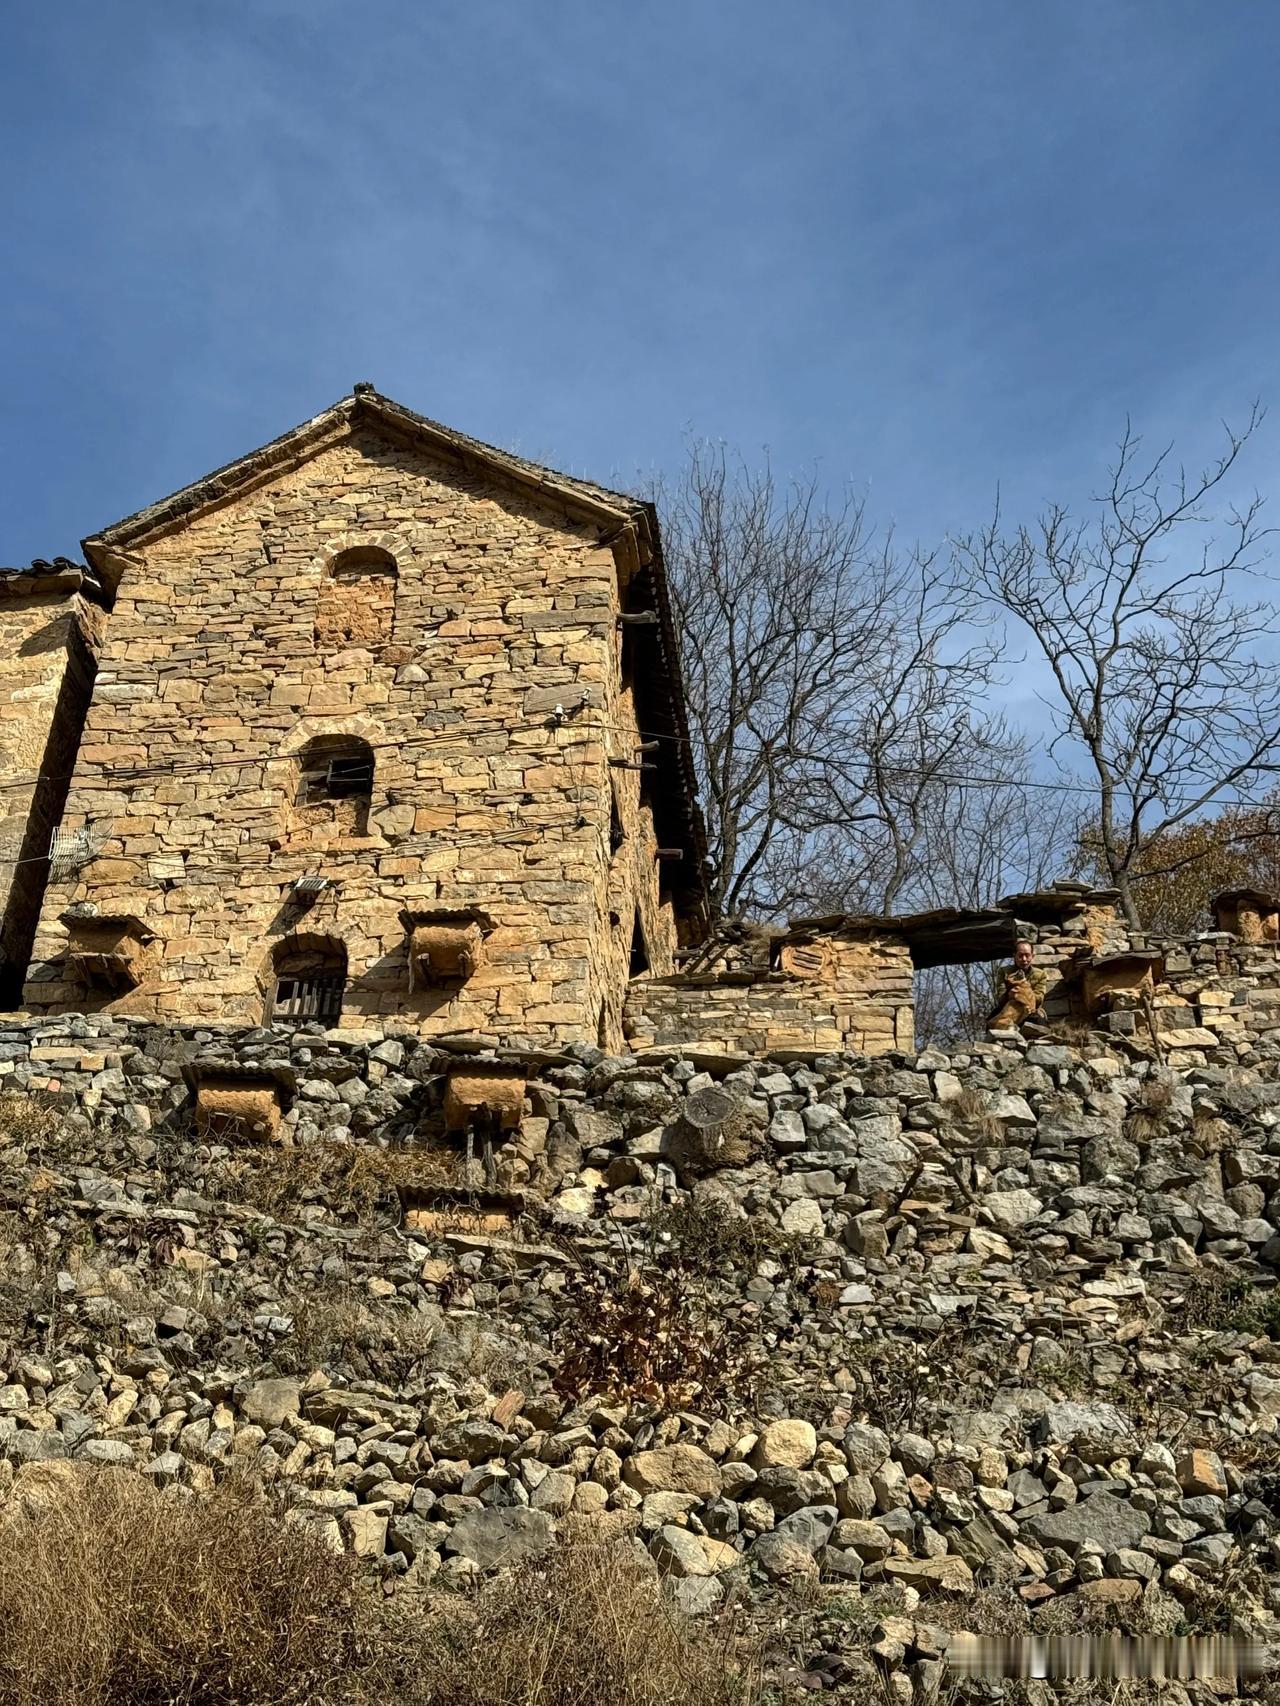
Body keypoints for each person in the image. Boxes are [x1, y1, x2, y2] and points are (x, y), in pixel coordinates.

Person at [988, 939, 1047, 1032]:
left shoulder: (1040, 975)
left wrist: (1021, 994)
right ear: (1014, 956)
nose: (1024, 959)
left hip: (1031, 1011)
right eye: (1020, 956)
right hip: (1008, 1009)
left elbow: (1039, 998)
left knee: (1040, 1026)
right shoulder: (1004, 972)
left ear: (1032, 956)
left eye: (1027, 955)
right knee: (991, 1022)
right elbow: (1000, 997)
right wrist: (1009, 994)